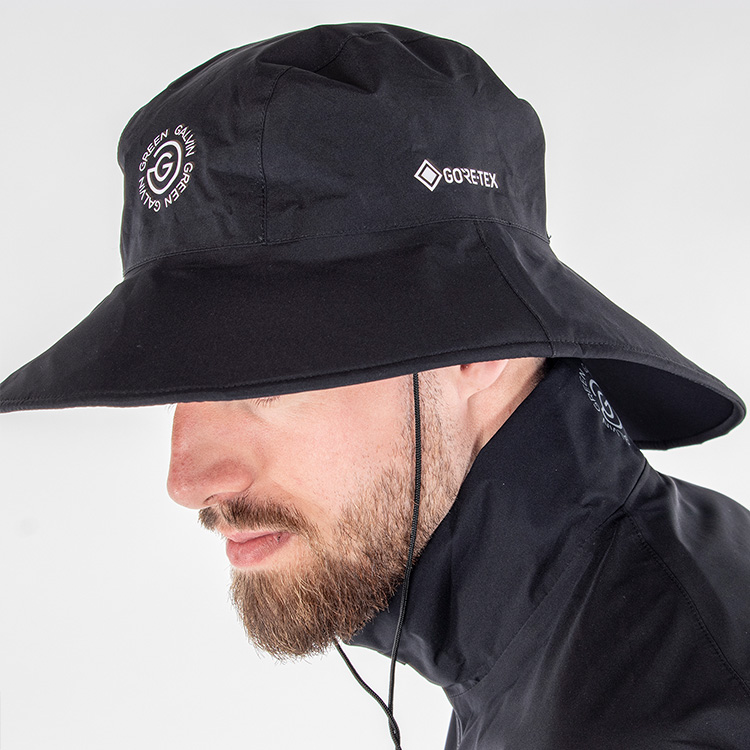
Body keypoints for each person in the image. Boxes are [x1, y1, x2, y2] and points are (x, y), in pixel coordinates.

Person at [1, 22, 748, 749]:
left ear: (480, 348)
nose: (186, 481)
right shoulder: (568, 641)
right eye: (179, 382)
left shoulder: (669, 720)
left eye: (259, 378)